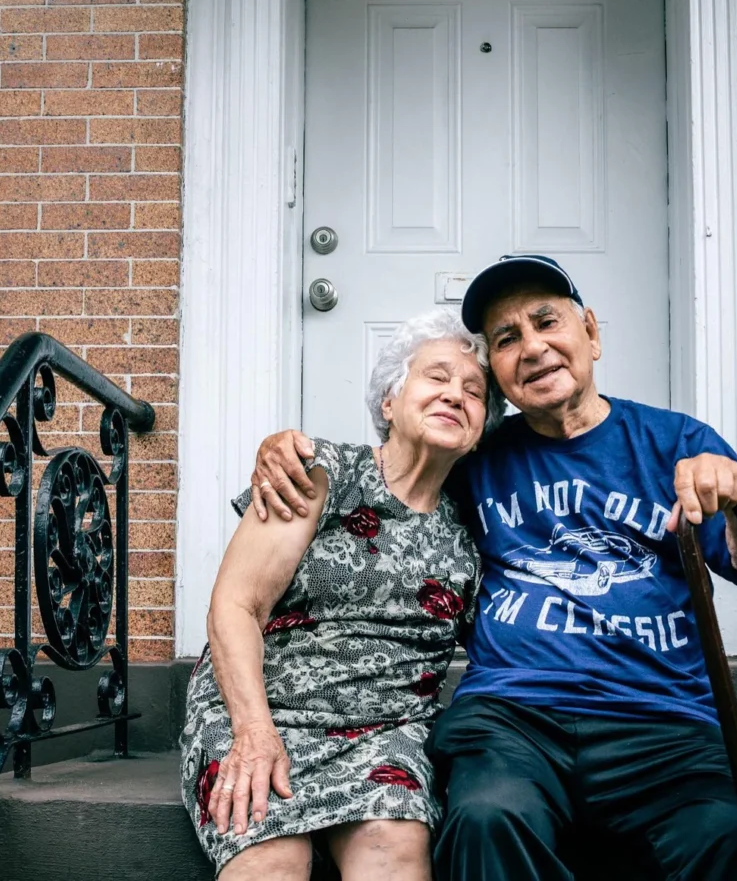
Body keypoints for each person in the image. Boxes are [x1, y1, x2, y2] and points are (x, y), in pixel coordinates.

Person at [251, 254, 737, 880]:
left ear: (592, 335)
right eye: (506, 338)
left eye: (547, 322)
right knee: (485, 817)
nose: (532, 347)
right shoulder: (474, 454)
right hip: (512, 719)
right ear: (496, 370)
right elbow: (388, 469)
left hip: (659, 720)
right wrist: (283, 448)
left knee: (730, 832)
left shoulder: (676, 442)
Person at [180, 310, 503, 880]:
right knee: (273, 857)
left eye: (474, 391)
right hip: (261, 710)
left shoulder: (479, 524)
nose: (455, 395)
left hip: (388, 730)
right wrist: (253, 732)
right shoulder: (320, 473)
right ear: (388, 402)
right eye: (436, 377)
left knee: (393, 846)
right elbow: (235, 605)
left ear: (480, 429)